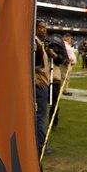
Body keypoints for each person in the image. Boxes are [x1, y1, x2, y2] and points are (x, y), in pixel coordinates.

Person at [33, 20, 53, 155]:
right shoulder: (34, 43)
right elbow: (26, 62)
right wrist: (33, 79)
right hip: (39, 85)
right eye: (40, 27)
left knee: (39, 116)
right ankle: (41, 147)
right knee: (41, 117)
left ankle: (38, 145)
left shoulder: (38, 43)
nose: (44, 30)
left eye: (45, 28)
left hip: (42, 83)